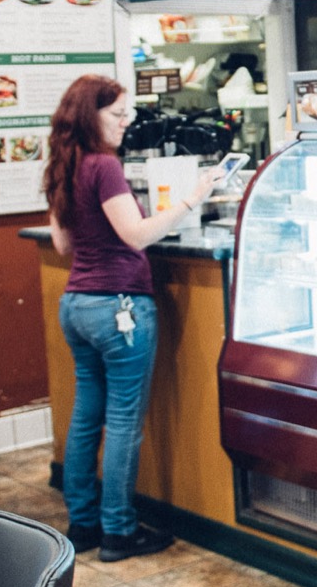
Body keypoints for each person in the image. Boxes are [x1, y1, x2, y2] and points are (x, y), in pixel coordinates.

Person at [44, 75, 221, 562]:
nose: (126, 123)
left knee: (86, 417)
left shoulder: (62, 164)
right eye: (117, 114)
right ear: (91, 116)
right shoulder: (103, 166)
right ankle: (119, 530)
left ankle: (83, 523)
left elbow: (62, 244)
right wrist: (193, 197)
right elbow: (137, 235)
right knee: (123, 422)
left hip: (77, 305)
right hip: (118, 306)